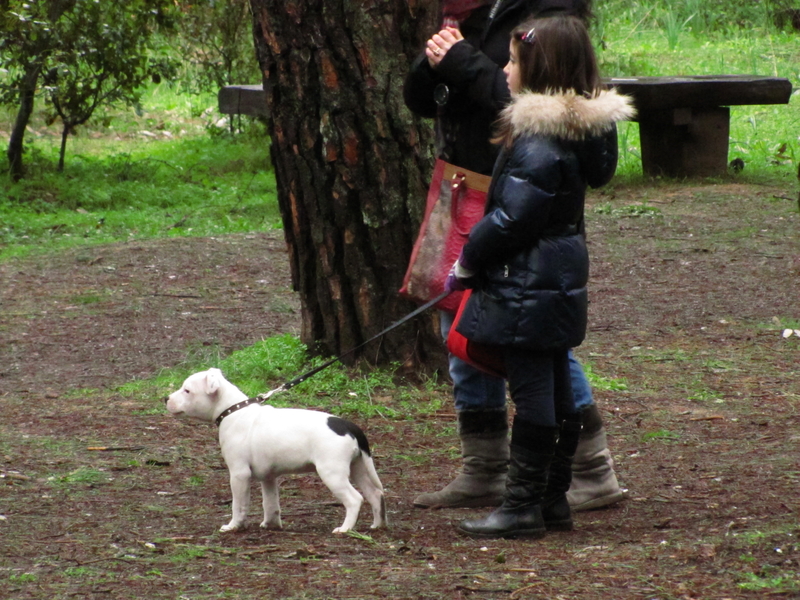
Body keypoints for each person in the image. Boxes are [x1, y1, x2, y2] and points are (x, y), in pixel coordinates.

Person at [403, 0, 625, 513]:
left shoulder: (550, 12)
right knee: (458, 330)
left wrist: (463, 62)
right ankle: (484, 467)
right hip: (463, 188)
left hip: (518, 204)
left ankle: (590, 470)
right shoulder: (465, 14)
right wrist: (433, 59)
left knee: (535, 345)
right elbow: (422, 99)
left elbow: (538, 95)